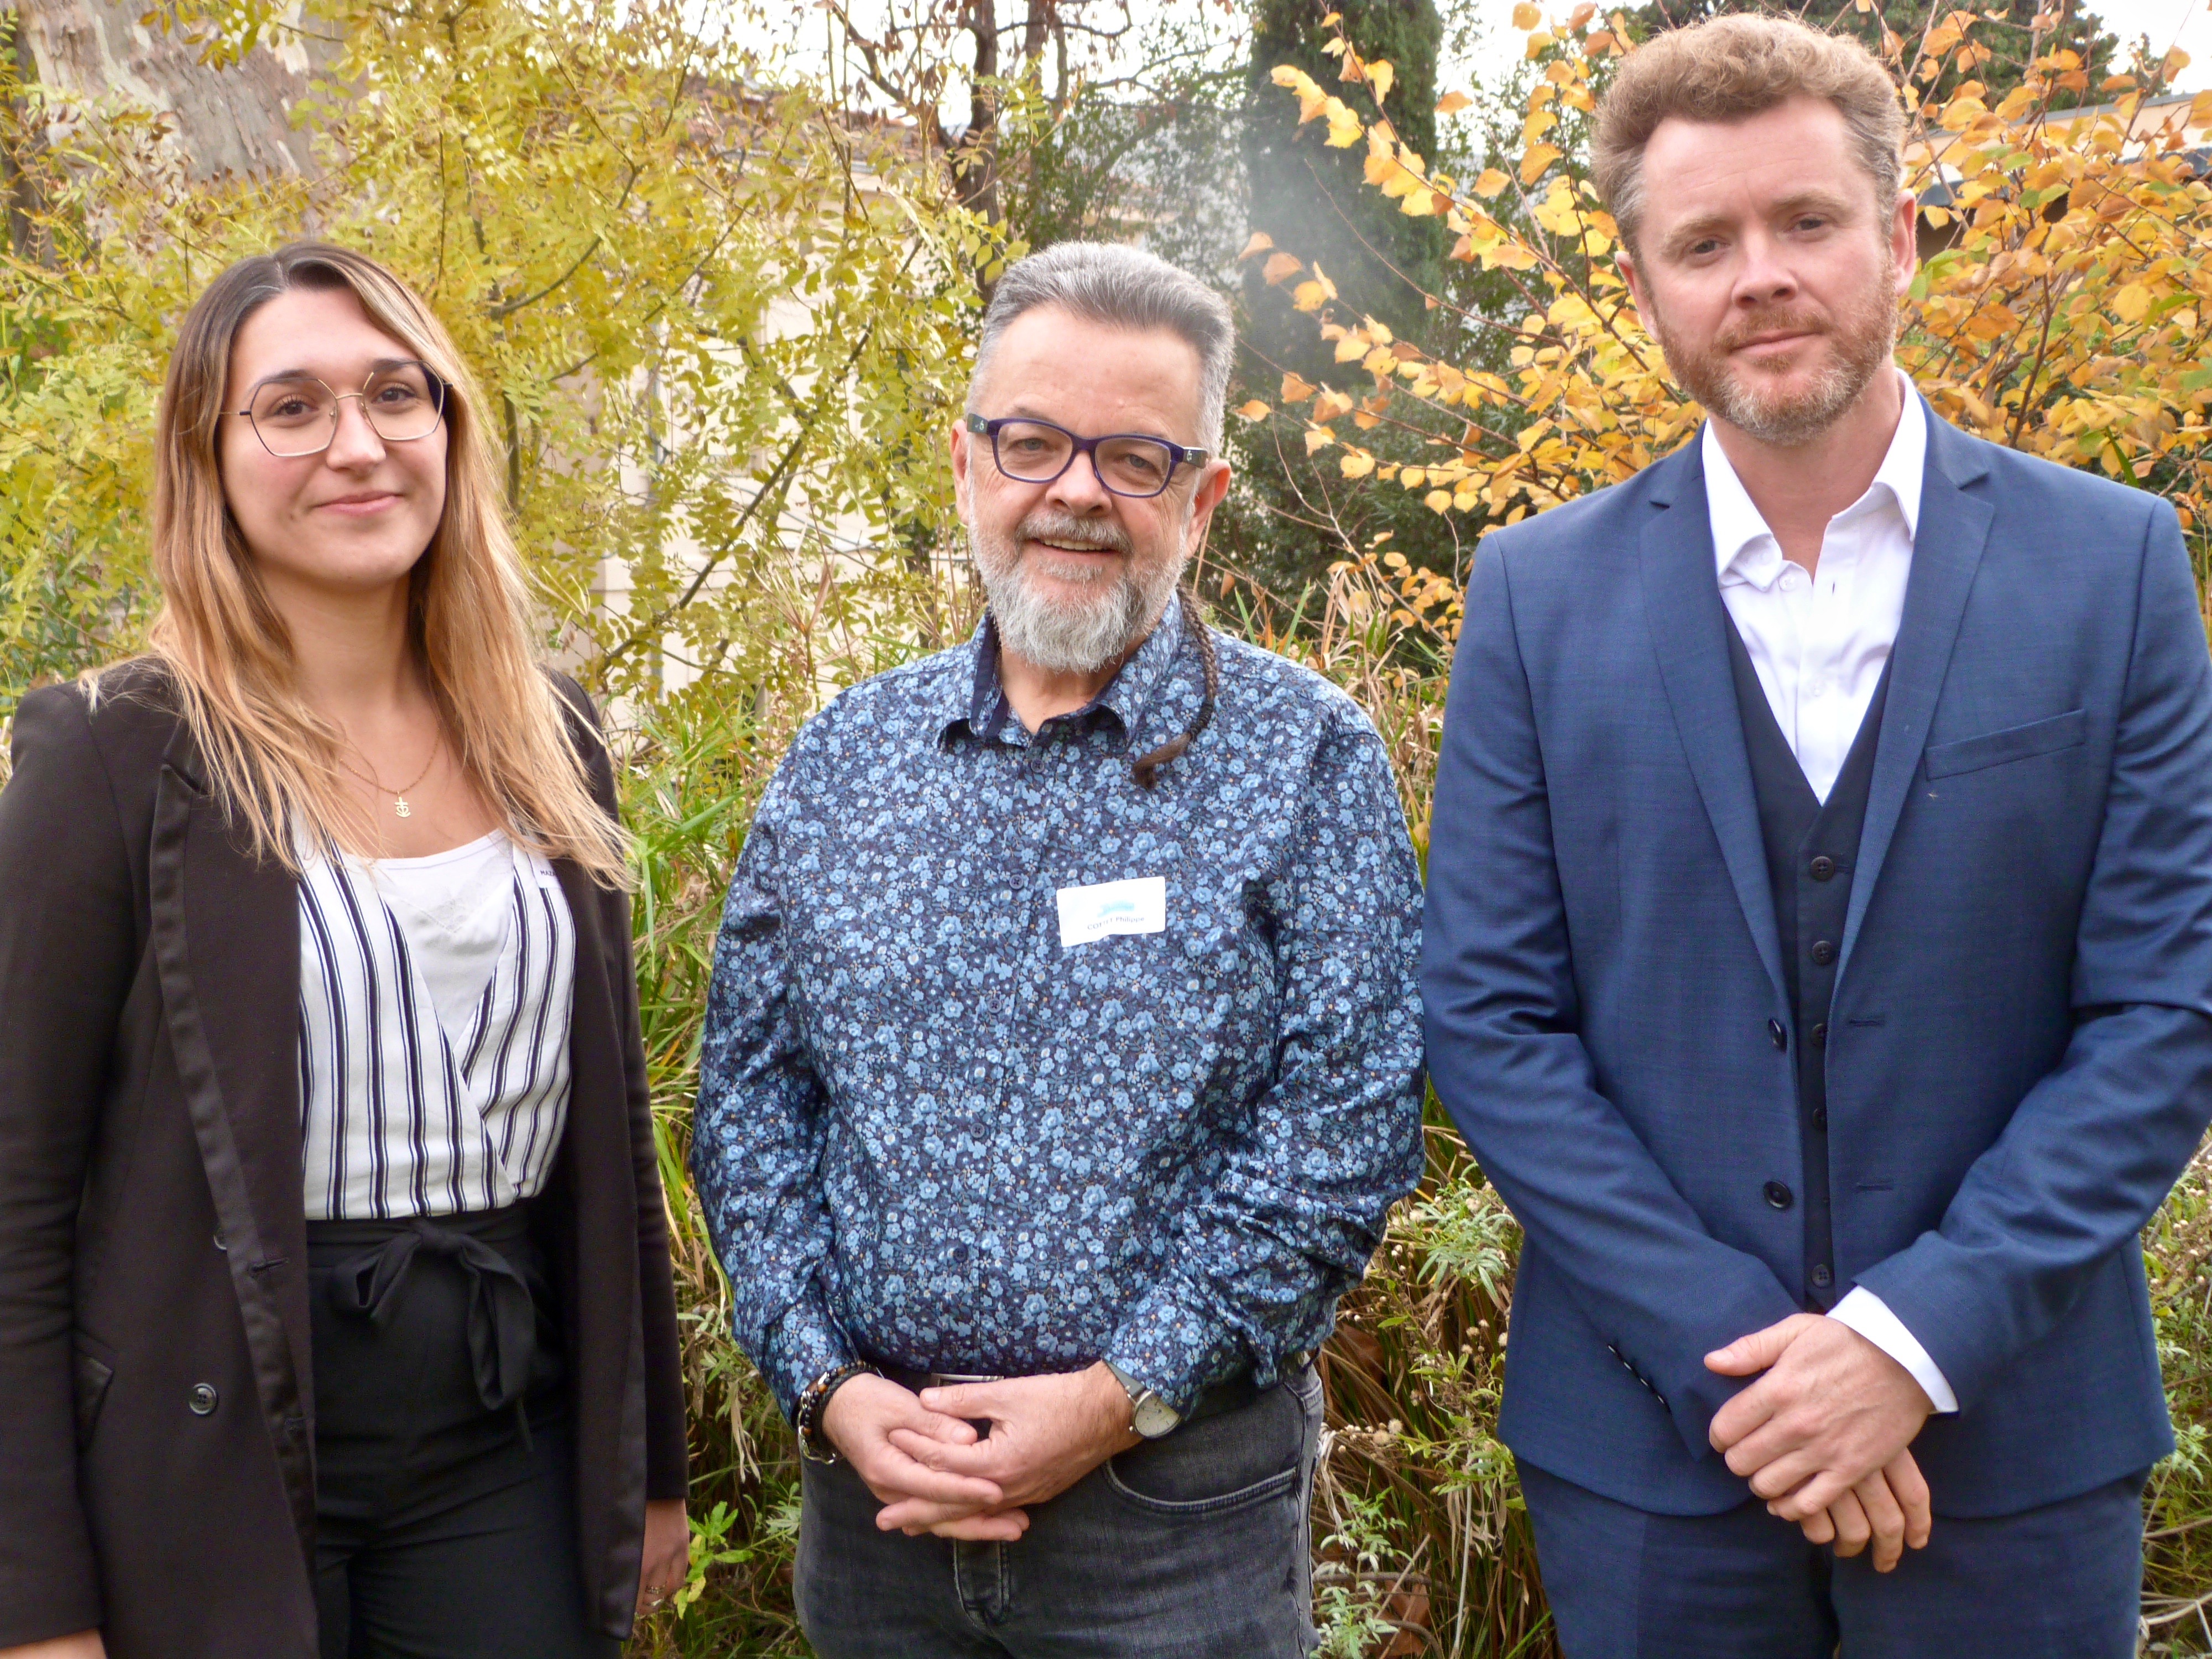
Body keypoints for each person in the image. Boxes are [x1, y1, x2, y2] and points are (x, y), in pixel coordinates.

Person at [1420, 16, 2212, 1656]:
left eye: (1806, 222)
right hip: (1651, 1452)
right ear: (1643, 288)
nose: (1760, 276)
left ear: (1900, 237)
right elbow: (1489, 1021)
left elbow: (2165, 1008)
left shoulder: (2114, 566)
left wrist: (1907, 1343)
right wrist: (1748, 1363)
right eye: (1703, 243)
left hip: (2012, 1447)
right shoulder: (1533, 597)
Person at [690, 240, 1426, 1657]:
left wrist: (1112, 1397)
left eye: (1134, 458)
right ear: (966, 460)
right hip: (879, 1512)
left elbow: (1342, 1130)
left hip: (1172, 1521)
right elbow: (749, 1105)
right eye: (1031, 442)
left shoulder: (1305, 758)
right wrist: (827, 1386)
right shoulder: (845, 759)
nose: (1075, 491)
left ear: (1201, 500)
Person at [0, 243, 688, 1659]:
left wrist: (652, 1467)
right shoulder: (114, 756)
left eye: (394, 393)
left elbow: (610, 1137)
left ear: (449, 426)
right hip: (212, 1444)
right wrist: (34, 1604)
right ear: (209, 455)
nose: (358, 445)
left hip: (502, 1435)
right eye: (292, 407)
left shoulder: (550, 735)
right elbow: (15, 1200)